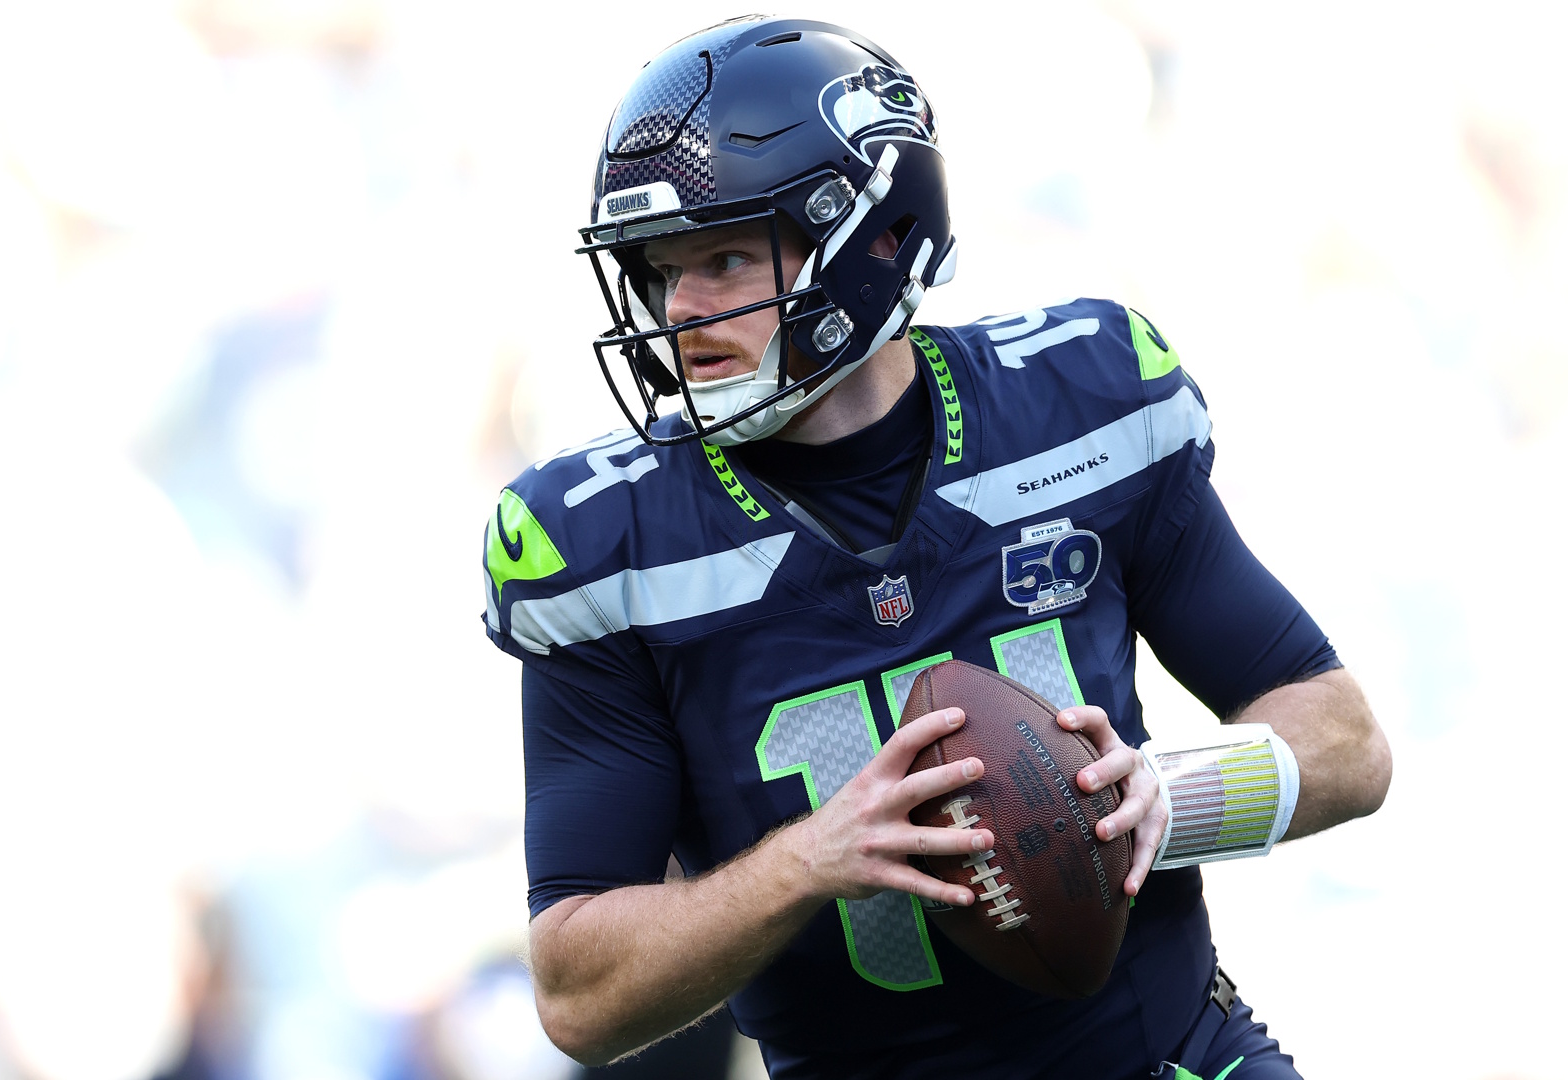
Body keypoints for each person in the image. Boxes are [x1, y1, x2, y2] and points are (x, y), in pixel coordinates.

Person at [479, 16, 1391, 1080]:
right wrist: (807, 864)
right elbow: (579, 996)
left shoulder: (1081, 404)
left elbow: (1345, 743)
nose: (679, 310)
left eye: (723, 257)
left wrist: (1168, 797)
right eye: (657, 271)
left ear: (874, 236)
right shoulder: (600, 544)